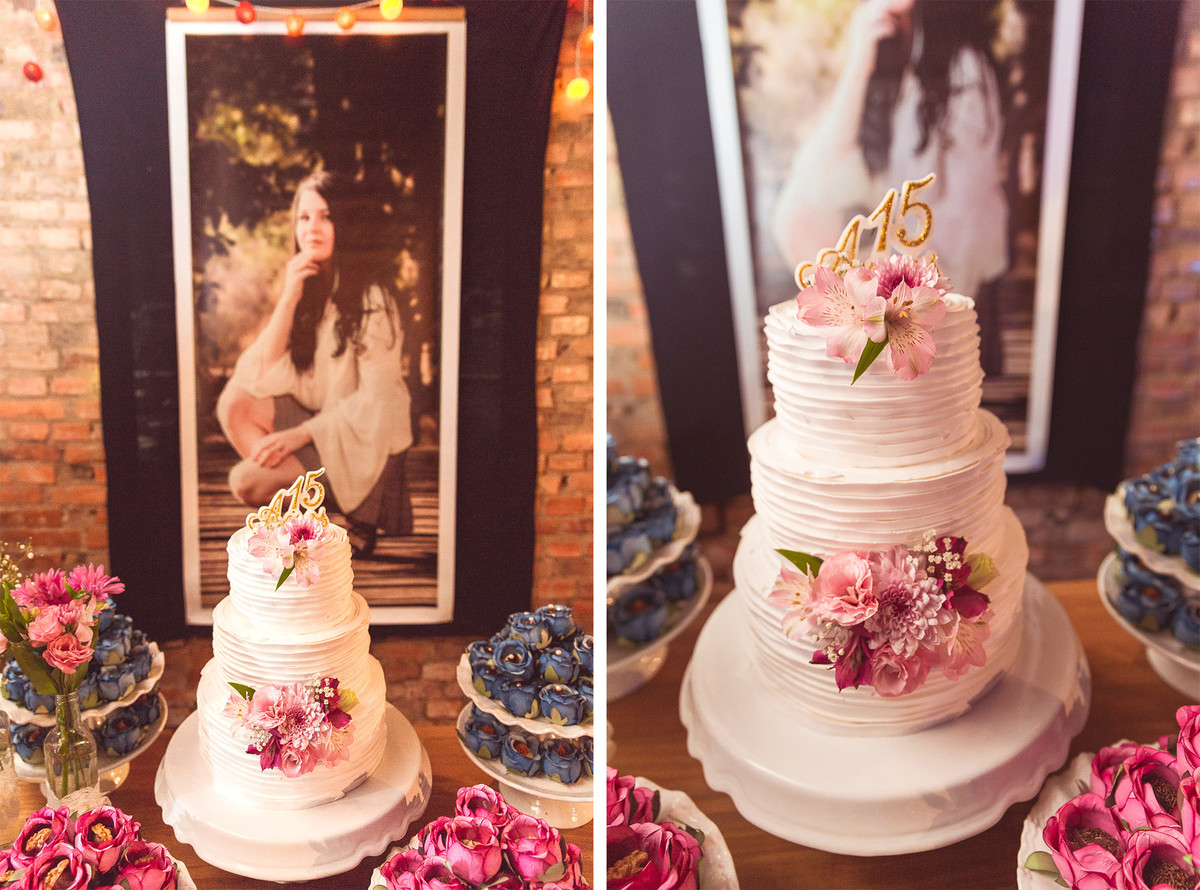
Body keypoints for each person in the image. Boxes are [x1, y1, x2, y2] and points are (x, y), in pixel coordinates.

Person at [772, 0, 1009, 374]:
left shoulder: (963, 66)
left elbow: (967, 212)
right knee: (799, 211)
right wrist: (859, 62)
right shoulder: (885, 46)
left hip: (949, 271)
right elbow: (818, 175)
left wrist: (907, 294)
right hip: (899, 258)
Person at [217, 171, 412, 555]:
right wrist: (289, 296)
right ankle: (311, 508)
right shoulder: (311, 289)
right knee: (235, 403)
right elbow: (259, 372)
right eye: (304, 218)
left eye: (326, 216)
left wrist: (300, 434)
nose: (312, 228)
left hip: (364, 438)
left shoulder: (373, 299)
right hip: (324, 420)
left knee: (246, 482)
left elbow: (377, 401)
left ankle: (352, 507)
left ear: (346, 224)